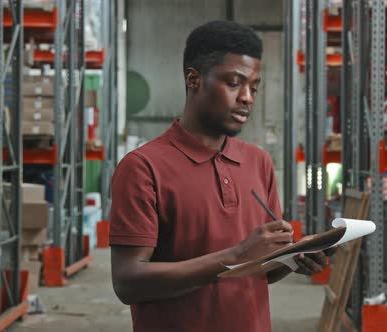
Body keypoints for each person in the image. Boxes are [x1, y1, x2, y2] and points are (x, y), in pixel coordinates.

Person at [109, 20, 331, 332]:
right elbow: (128, 282)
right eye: (234, 83)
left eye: (253, 87)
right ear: (193, 80)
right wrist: (237, 254)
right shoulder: (143, 168)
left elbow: (258, 270)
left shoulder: (258, 162)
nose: (247, 98)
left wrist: (293, 259)